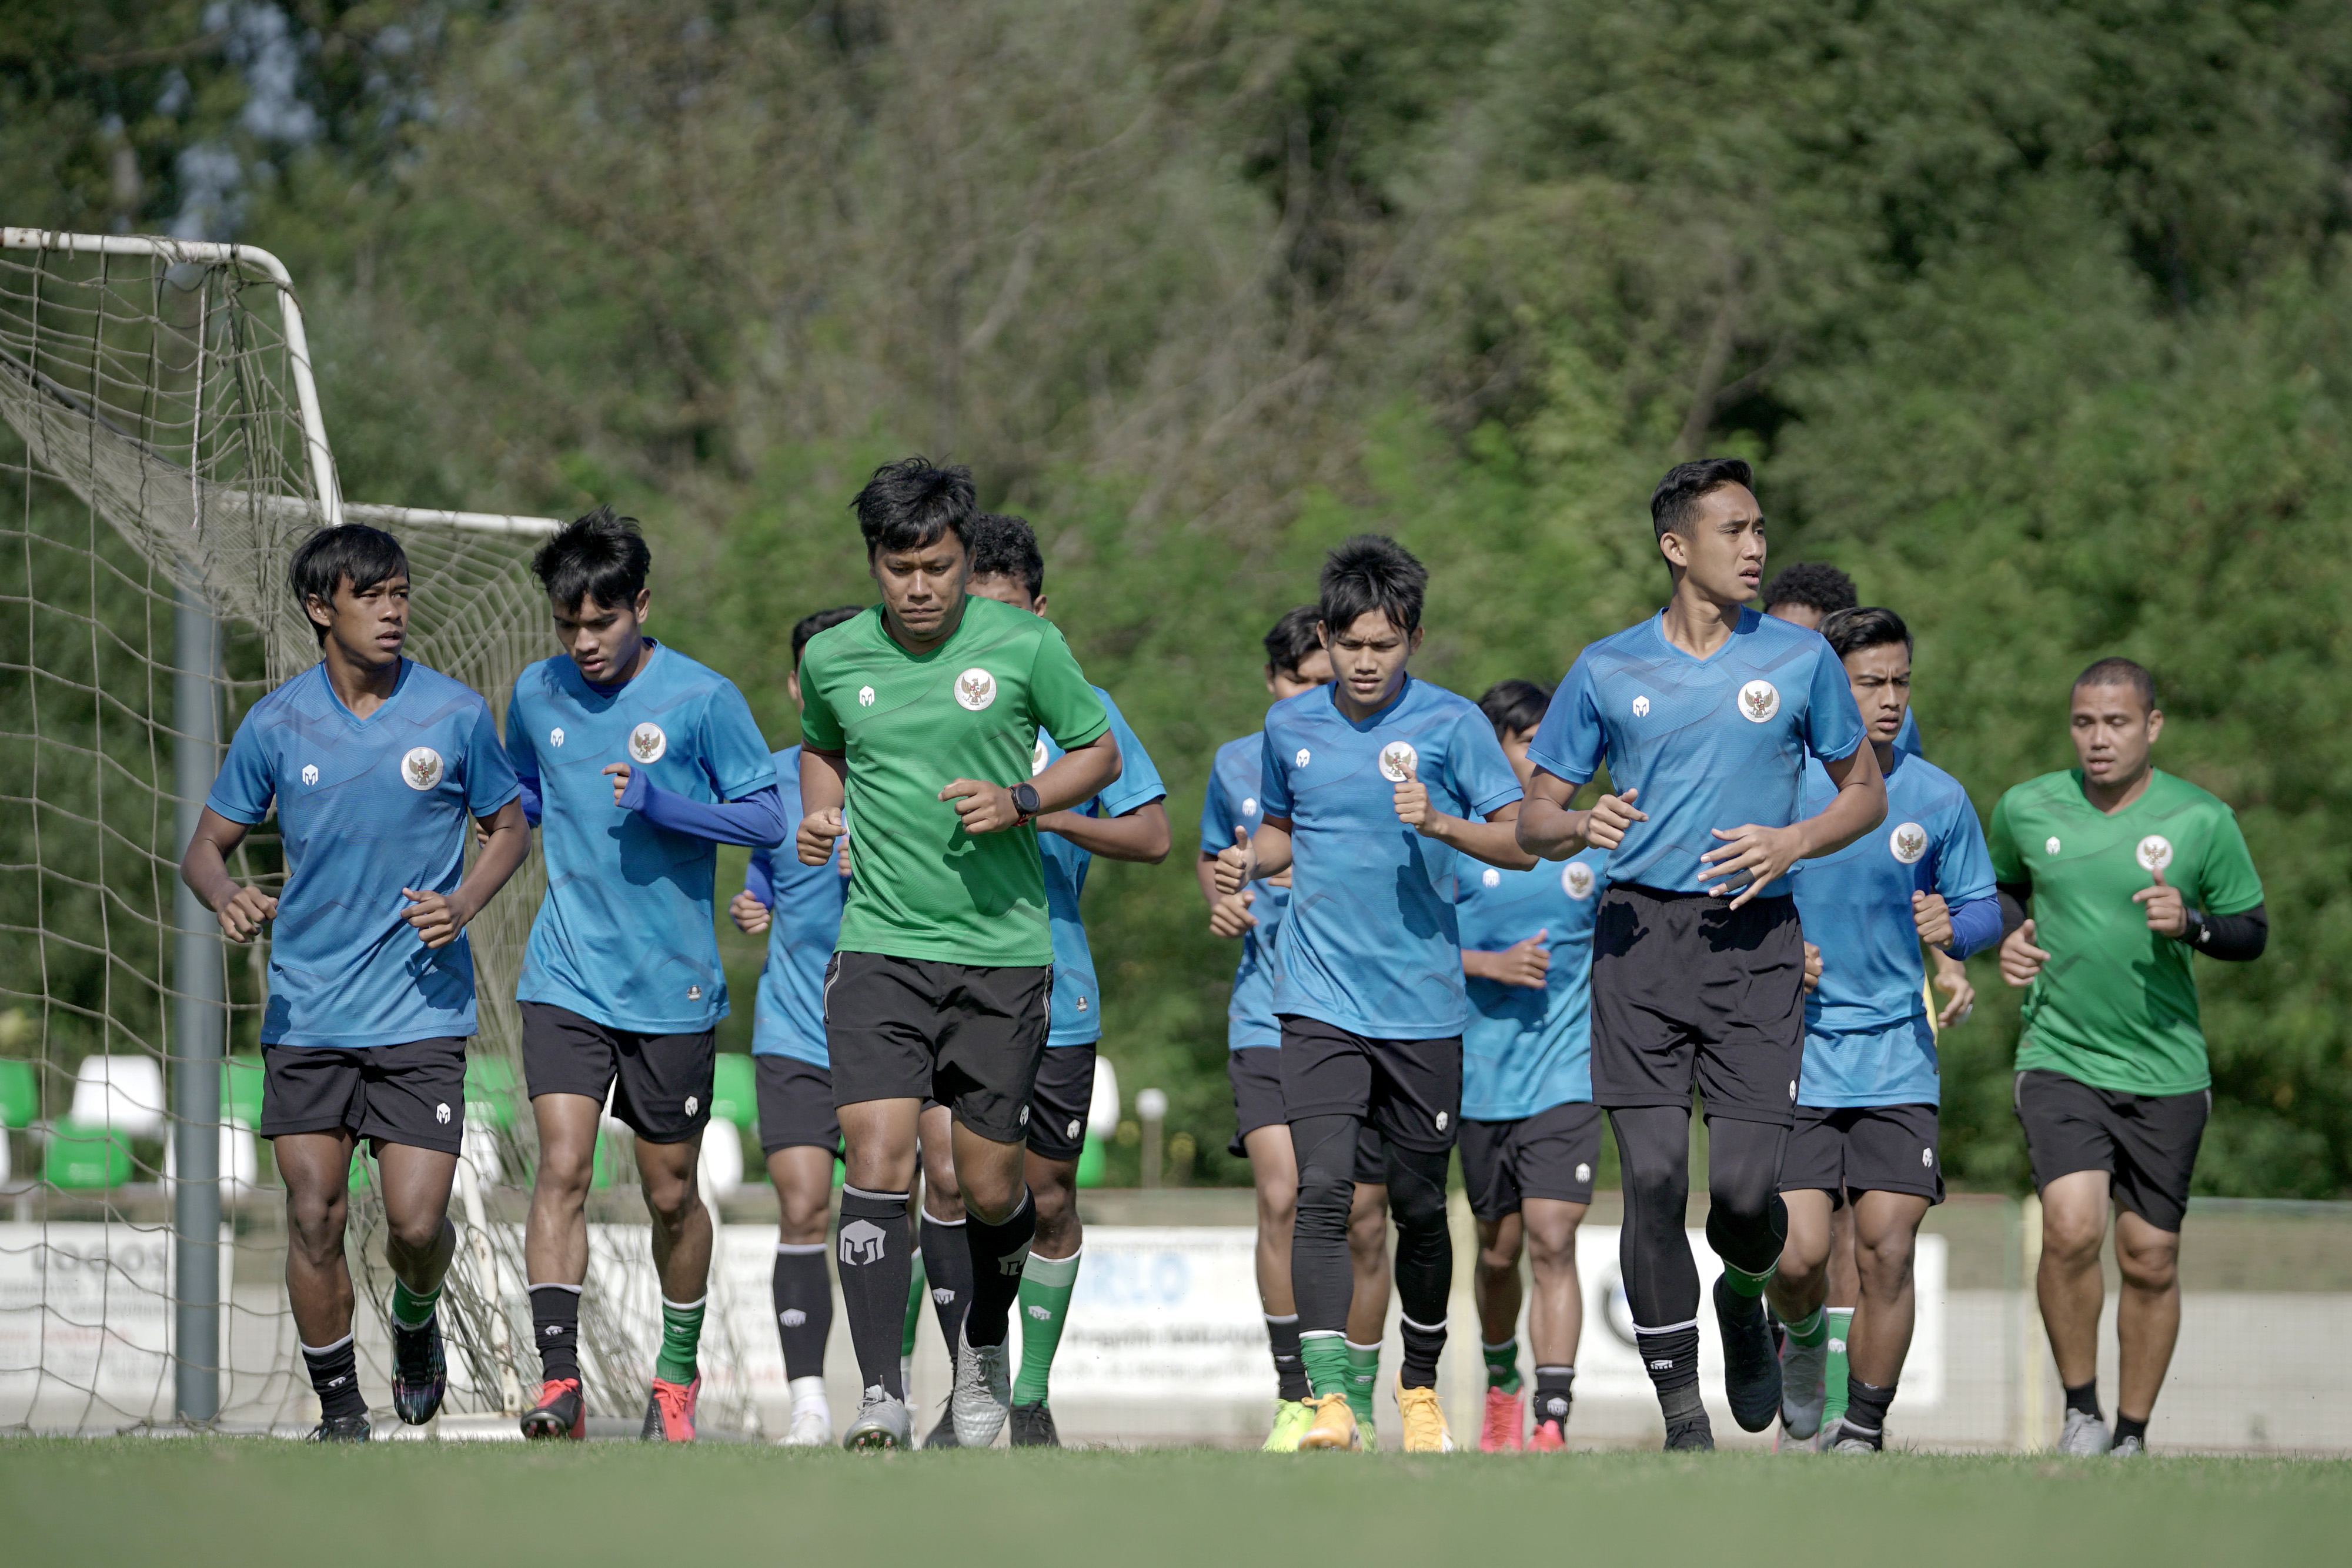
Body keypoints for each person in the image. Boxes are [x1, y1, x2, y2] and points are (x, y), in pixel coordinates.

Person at [1515, 457, 1885, 1450]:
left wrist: (1794, 842)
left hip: (1757, 942)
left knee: (1746, 1194)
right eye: (1735, 529)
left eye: (1761, 527)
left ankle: (1748, 1289)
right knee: (1650, 1179)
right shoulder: (1606, 668)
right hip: (1640, 944)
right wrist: (1574, 824)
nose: (1756, 546)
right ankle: (1684, 1421)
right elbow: (1532, 816)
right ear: (1677, 547)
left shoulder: (1801, 664)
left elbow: (1865, 794)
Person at [794, 458, 1120, 1450]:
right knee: (882, 1160)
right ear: (875, 564)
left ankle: (983, 1351)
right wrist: (822, 809)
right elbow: (821, 743)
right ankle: (880, 1395)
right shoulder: (835, 657)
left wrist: (1022, 800)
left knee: (987, 1187)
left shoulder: (1025, 646)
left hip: (1003, 957)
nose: (921, 587)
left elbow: (1097, 752)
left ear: (963, 557)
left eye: (937, 565)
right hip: (882, 948)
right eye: (901, 568)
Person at [180, 524, 529, 1441]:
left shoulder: (452, 714)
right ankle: (341, 1411)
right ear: (319, 608)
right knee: (313, 1214)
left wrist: (462, 903)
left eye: (401, 593)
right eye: (371, 595)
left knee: (415, 1227)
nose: (393, 610)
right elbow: (203, 851)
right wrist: (228, 895)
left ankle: (416, 1324)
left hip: (420, 1008)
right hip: (310, 1010)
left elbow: (509, 828)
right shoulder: (277, 724)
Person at [1213, 534, 1531, 1454]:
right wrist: (1247, 861)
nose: (1364, 661)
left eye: (1383, 645)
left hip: (1422, 1007)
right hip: (1313, 998)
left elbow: (1519, 842)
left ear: (1413, 640)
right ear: (1325, 635)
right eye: (1349, 643)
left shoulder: (1455, 726)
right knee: (1322, 1195)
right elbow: (1283, 833)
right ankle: (1332, 1403)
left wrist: (1441, 820)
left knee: (1421, 1210)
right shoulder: (1290, 729)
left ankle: (1420, 1389)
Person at [507, 507, 789, 1443]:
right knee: (561, 1167)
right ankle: (559, 1382)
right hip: (565, 974)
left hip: (672, 987)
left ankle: (674, 1375)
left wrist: (670, 805)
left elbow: (764, 822)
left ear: (642, 605)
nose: (584, 643)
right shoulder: (535, 696)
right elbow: (524, 801)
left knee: (670, 1193)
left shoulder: (703, 700)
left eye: (603, 622)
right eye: (569, 625)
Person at [1992, 657, 2266, 1456]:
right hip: (2060, 1055)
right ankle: (2081, 1412)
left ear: (2152, 726)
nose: (2098, 740)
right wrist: (2008, 935)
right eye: (2084, 723)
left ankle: (2133, 1434)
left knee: (2148, 1257)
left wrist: (2194, 926)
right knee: (2072, 1228)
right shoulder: (2026, 805)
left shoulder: (2202, 819)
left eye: (2116, 724)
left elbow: (2251, 931)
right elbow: (2002, 888)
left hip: (2166, 1069)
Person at [955, 513, 1171, 1446]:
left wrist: (1042, 816)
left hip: (1056, 986)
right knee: (956, 1182)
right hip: (948, 978)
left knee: (1044, 1198)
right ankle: (967, 1374)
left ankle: (1028, 1395)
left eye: (1008, 618)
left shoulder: (1086, 712)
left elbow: (1155, 836)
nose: (993, 638)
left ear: (1041, 616)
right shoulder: (939, 700)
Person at [1766, 608, 2002, 1452]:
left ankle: (1862, 1432)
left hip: (1900, 1057)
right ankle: (1796, 1341)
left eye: (1901, 680)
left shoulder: (1937, 797)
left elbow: (1981, 910)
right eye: (1871, 682)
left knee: (1888, 1250)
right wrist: (1778, 954)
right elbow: (1717, 899)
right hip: (1794, 1055)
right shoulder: (1778, 784)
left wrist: (1957, 931)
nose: (1891, 698)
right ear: (1832, 686)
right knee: (1796, 1260)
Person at [1200, 607, 1396, 1452]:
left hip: (1370, 1011)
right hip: (1268, 1011)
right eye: (1304, 683)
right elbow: (1217, 860)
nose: (1320, 696)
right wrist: (1223, 898)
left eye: (1331, 681)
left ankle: (1359, 1394)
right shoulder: (1239, 764)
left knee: (1364, 1211)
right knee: (1284, 1194)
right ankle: (1297, 1394)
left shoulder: (1390, 751)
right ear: (1274, 686)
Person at [1454, 678, 1609, 1454]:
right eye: (1526, 743)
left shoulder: (1593, 845)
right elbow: (1400, 958)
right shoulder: (1453, 846)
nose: (1545, 759)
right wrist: (1487, 964)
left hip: (1567, 1077)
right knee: (1499, 1251)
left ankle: (1552, 1417)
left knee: (1554, 1238)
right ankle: (1500, 1379)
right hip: (1480, 1083)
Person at [729, 604, 864, 1445]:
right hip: (791, 1030)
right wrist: (754, 904)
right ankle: (809, 1402)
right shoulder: (768, 781)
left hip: (891, 1033)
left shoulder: (905, 769)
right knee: (805, 1208)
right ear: (795, 684)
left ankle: (891, 1391)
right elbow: (765, 884)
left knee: (884, 1216)